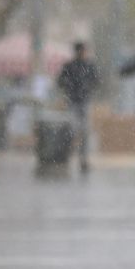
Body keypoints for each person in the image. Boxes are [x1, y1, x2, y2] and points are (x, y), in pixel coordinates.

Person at [57, 41, 100, 174]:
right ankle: (67, 157)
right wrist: (69, 85)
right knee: (72, 130)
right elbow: (60, 81)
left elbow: (97, 80)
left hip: (84, 102)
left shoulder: (89, 66)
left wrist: (87, 85)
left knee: (85, 132)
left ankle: (83, 159)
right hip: (73, 102)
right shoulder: (69, 66)